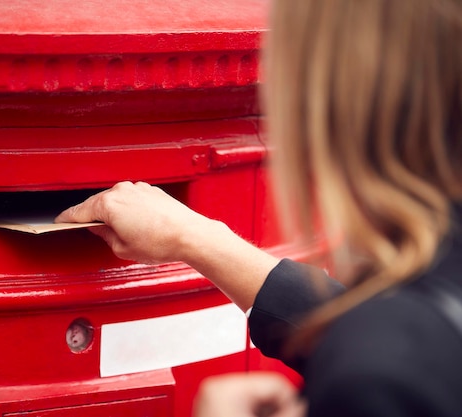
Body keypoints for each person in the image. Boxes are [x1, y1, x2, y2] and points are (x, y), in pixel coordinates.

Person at [56, 0, 462, 415]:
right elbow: (396, 333)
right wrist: (196, 238)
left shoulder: (377, 381)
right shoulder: (405, 336)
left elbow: (386, 354)